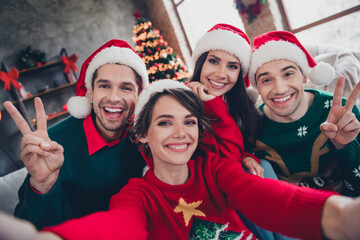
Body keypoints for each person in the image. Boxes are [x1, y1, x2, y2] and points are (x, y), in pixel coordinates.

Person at [1, 79, 360, 240]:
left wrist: (343, 216)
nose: (181, 133)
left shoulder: (216, 170)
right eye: (164, 122)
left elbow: (265, 197)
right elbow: (117, 228)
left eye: (189, 122)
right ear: (142, 135)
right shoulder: (136, 195)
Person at [3, 39, 149, 229]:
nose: (114, 97)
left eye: (126, 87)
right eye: (104, 85)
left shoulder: (145, 136)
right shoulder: (53, 143)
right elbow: (27, 228)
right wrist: (42, 185)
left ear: (139, 95)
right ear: (91, 93)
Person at [246, 31, 360, 196]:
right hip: (295, 212)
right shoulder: (251, 126)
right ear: (257, 88)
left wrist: (346, 146)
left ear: (304, 76)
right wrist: (244, 156)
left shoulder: (343, 113)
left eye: (288, 74)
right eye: (266, 80)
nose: (280, 89)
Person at [188, 23, 267, 177]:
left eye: (232, 66)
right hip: (197, 180)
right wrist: (214, 107)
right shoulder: (178, 100)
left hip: (229, 175)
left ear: (240, 74)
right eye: (214, 61)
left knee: (265, 167)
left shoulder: (240, 103)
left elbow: (235, 152)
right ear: (201, 63)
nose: (221, 74)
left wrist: (245, 156)